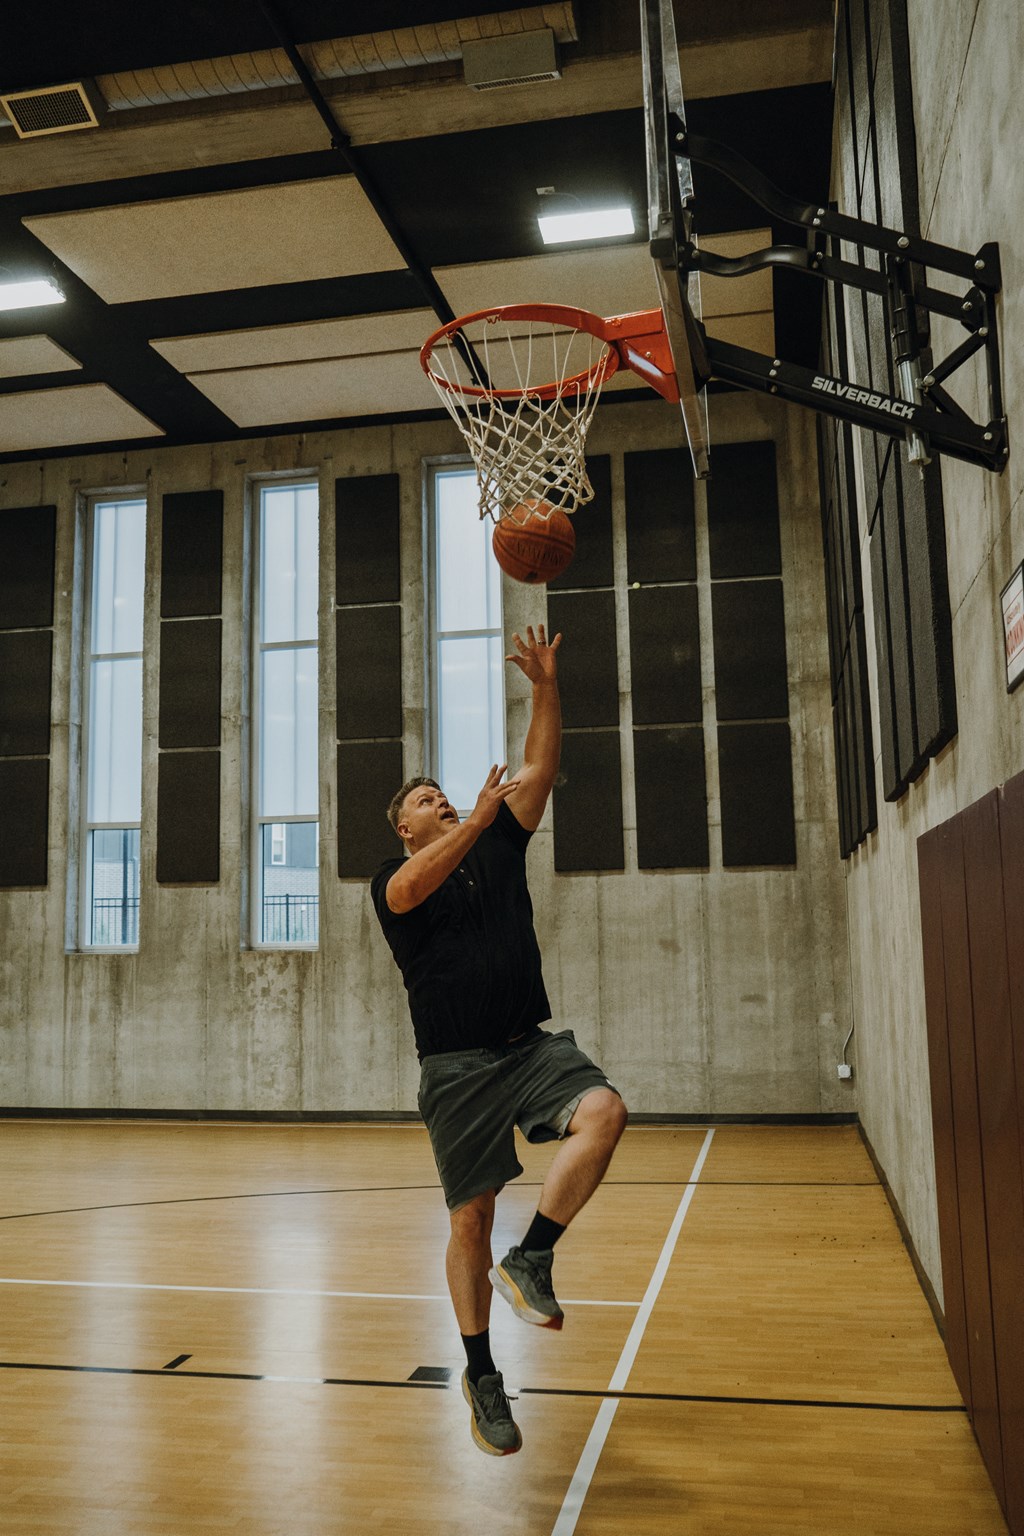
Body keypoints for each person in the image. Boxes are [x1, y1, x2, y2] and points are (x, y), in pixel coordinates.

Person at [371, 624, 627, 1456]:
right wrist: (473, 820)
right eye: (423, 800)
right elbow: (415, 885)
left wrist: (545, 686)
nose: (438, 798)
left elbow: (542, 769)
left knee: (605, 1110)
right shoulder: (397, 878)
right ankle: (482, 1375)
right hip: (456, 1071)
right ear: (404, 827)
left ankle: (536, 1258)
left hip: (528, 1047)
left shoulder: (494, 842)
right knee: (470, 1220)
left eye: (443, 792)